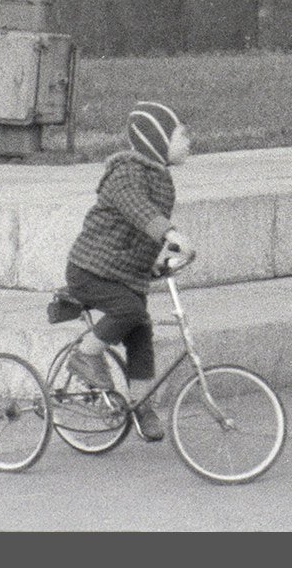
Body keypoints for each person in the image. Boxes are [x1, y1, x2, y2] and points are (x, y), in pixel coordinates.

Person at [59, 102, 196, 442]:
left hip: (122, 273)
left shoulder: (161, 178)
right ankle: (85, 356)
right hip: (90, 269)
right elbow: (137, 210)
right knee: (130, 310)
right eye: (181, 134)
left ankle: (140, 402)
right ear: (157, 139)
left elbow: (133, 234)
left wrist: (155, 263)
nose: (189, 141)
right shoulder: (127, 173)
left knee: (141, 330)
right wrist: (171, 234)